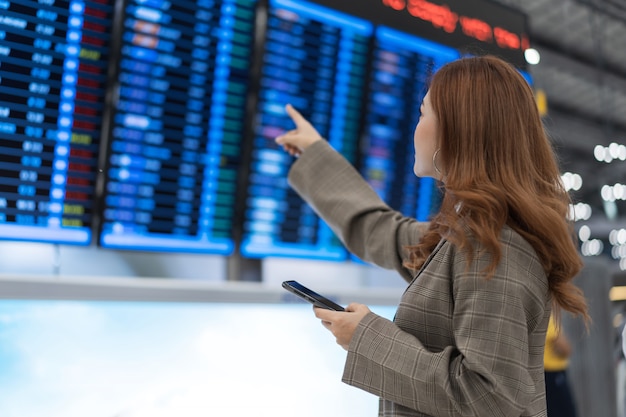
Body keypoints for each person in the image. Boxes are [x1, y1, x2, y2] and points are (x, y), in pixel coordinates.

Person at [275, 55, 589, 417]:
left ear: (458, 129)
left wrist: (367, 339)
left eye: (423, 113)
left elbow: (490, 399)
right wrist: (316, 155)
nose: (416, 125)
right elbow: (382, 231)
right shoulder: (471, 235)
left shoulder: (495, 245)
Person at [544, 314, 578, 417]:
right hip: (553, 373)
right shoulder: (548, 319)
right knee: (565, 411)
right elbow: (566, 348)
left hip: (543, 373)